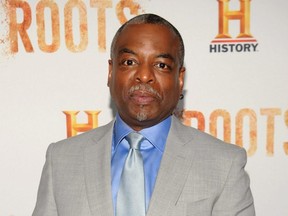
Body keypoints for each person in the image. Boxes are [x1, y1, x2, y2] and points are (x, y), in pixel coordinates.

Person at [32, 13, 255, 216]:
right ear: (111, 72)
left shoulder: (224, 164)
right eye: (130, 62)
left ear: (179, 79)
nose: (145, 76)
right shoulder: (61, 160)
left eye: (161, 65)